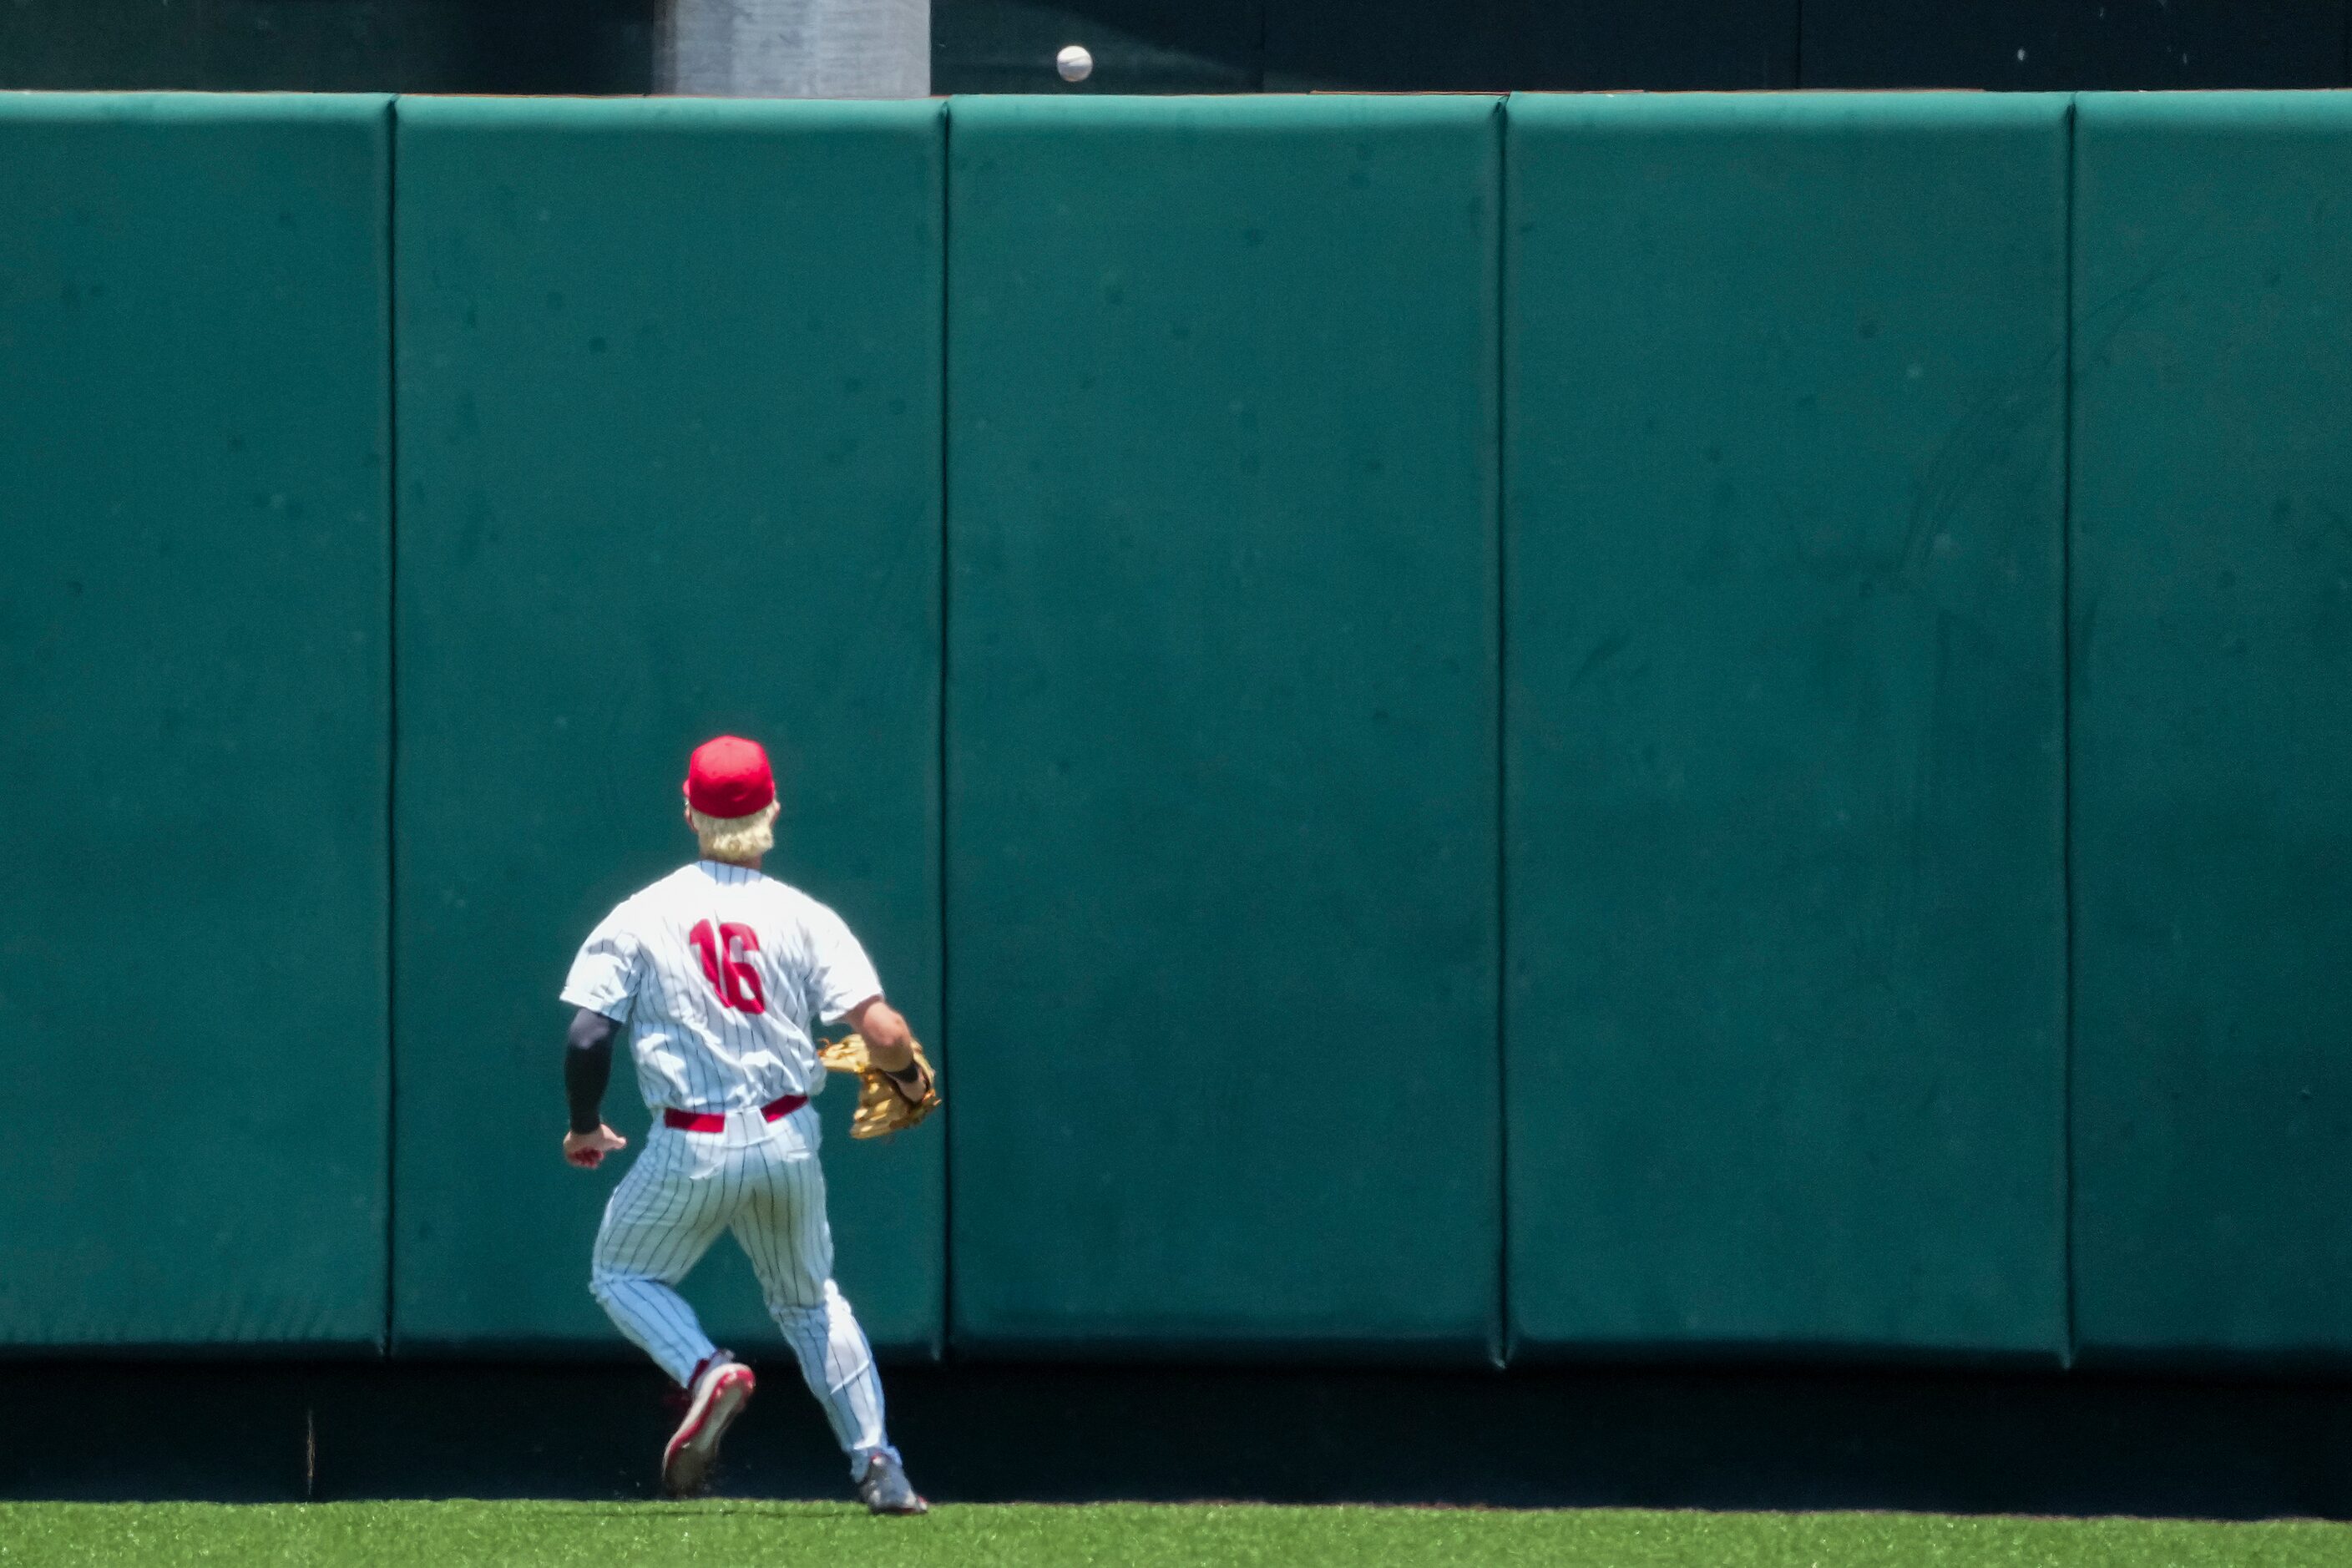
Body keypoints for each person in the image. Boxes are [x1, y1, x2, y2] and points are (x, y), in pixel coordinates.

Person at [558, 734, 933, 1513]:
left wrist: (585, 1124)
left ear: (689, 809)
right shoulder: (805, 917)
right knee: (810, 1302)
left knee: (621, 1275)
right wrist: (902, 1076)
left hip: (689, 1145)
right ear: (771, 813)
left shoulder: (642, 912)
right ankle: (877, 1466)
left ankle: (704, 1372)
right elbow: (888, 1034)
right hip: (788, 1138)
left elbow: (589, 1034)